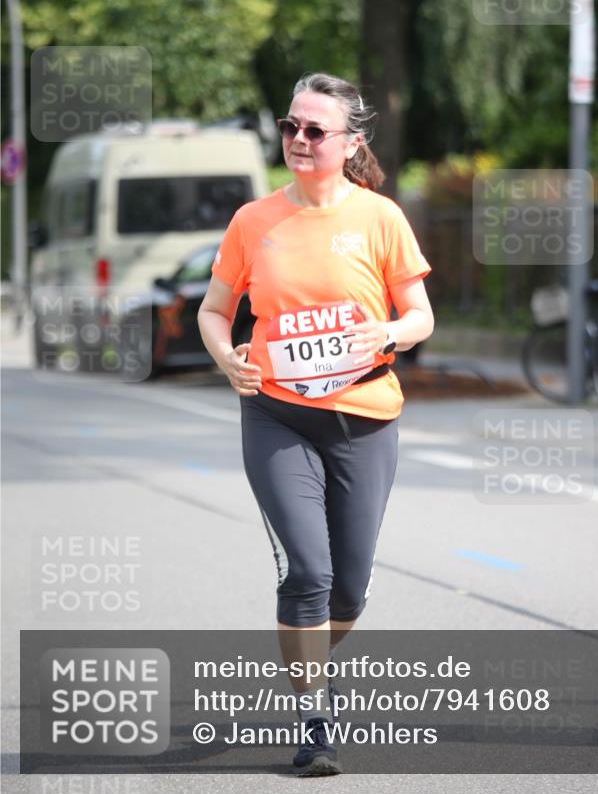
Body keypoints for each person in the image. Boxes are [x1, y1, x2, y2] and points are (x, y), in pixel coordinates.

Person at [198, 72, 434, 776]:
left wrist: (387, 333)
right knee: (307, 571)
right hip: (276, 416)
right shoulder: (253, 221)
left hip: (365, 419)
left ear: (349, 142)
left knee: (347, 588)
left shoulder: (380, 218)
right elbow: (215, 311)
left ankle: (300, 658)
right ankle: (314, 722)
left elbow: (420, 317)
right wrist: (225, 361)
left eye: (314, 130)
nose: (297, 140)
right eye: (289, 126)